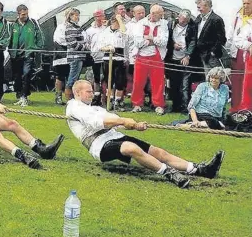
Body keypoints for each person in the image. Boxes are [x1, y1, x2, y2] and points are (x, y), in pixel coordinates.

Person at [66, 79, 225, 189]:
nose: (92, 93)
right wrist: (122, 121)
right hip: (98, 145)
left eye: (92, 91)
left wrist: (134, 125)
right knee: (130, 148)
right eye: (88, 91)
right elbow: (95, 123)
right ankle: (169, 173)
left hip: (113, 136)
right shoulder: (73, 107)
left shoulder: (96, 108)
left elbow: (114, 119)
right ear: (77, 93)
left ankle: (198, 169)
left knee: (158, 152)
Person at [131, 4, 169, 115]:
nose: (161, 16)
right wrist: (150, 41)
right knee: (138, 82)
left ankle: (158, 105)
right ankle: (137, 104)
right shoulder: (140, 24)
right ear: (152, 14)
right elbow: (138, 42)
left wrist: (150, 38)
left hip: (157, 57)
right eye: (160, 14)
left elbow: (164, 41)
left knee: (158, 83)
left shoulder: (164, 24)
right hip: (141, 57)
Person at [165, 9, 199, 113]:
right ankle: (175, 106)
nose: (183, 22)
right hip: (173, 58)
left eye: (185, 20)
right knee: (174, 83)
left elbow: (193, 41)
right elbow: (167, 38)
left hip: (185, 59)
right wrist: (173, 45)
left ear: (188, 20)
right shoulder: (171, 25)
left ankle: (186, 107)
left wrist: (188, 55)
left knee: (185, 85)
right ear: (178, 17)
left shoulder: (192, 27)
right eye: (181, 19)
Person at [9, 4, 43, 106]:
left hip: (28, 54)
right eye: (23, 14)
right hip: (15, 54)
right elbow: (8, 38)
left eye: (27, 14)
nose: (25, 16)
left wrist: (37, 47)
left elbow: (40, 36)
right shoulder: (13, 25)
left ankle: (24, 96)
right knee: (17, 76)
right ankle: (19, 95)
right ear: (18, 14)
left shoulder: (33, 23)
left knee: (26, 74)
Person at [93, 13, 128, 111]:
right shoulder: (105, 32)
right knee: (109, 80)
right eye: (118, 22)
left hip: (119, 59)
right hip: (108, 59)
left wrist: (120, 19)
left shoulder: (121, 31)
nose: (120, 24)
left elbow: (124, 32)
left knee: (120, 81)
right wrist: (108, 48)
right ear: (113, 22)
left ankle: (117, 101)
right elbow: (100, 47)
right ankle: (110, 100)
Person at [228, 0, 252, 113]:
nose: (245, 6)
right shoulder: (237, 16)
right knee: (236, 82)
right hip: (236, 52)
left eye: (248, 3)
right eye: (244, 3)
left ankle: (246, 108)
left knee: (247, 83)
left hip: (248, 54)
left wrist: (248, 45)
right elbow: (233, 35)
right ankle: (235, 107)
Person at [194, 0, 227, 71]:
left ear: (206, 6)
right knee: (204, 77)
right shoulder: (199, 17)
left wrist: (213, 52)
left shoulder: (217, 19)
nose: (198, 10)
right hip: (200, 53)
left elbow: (221, 38)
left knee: (213, 77)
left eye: (199, 7)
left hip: (211, 56)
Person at [64, 8, 87, 101]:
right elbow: (73, 43)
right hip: (75, 56)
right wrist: (85, 48)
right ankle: (69, 99)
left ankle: (73, 99)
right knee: (72, 79)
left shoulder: (77, 27)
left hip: (79, 56)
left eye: (78, 15)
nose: (77, 17)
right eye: (75, 15)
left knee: (75, 78)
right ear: (70, 16)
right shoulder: (70, 27)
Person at [85, 9, 107, 106]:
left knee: (106, 78)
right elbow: (87, 43)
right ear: (94, 17)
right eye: (98, 16)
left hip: (106, 57)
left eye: (101, 16)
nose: (100, 18)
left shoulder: (107, 28)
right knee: (96, 78)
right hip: (95, 57)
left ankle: (105, 98)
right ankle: (96, 97)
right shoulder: (89, 30)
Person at [126, 6, 146, 96]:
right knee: (134, 78)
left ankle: (149, 99)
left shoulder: (148, 24)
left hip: (147, 56)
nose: (141, 15)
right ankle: (135, 98)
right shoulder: (129, 26)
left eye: (143, 13)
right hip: (133, 58)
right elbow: (126, 43)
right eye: (139, 13)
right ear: (133, 14)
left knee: (146, 79)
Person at [53, 17, 70, 105]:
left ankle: (70, 98)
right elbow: (59, 40)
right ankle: (58, 97)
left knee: (71, 77)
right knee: (60, 77)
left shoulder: (76, 27)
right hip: (61, 55)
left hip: (73, 54)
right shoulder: (60, 27)